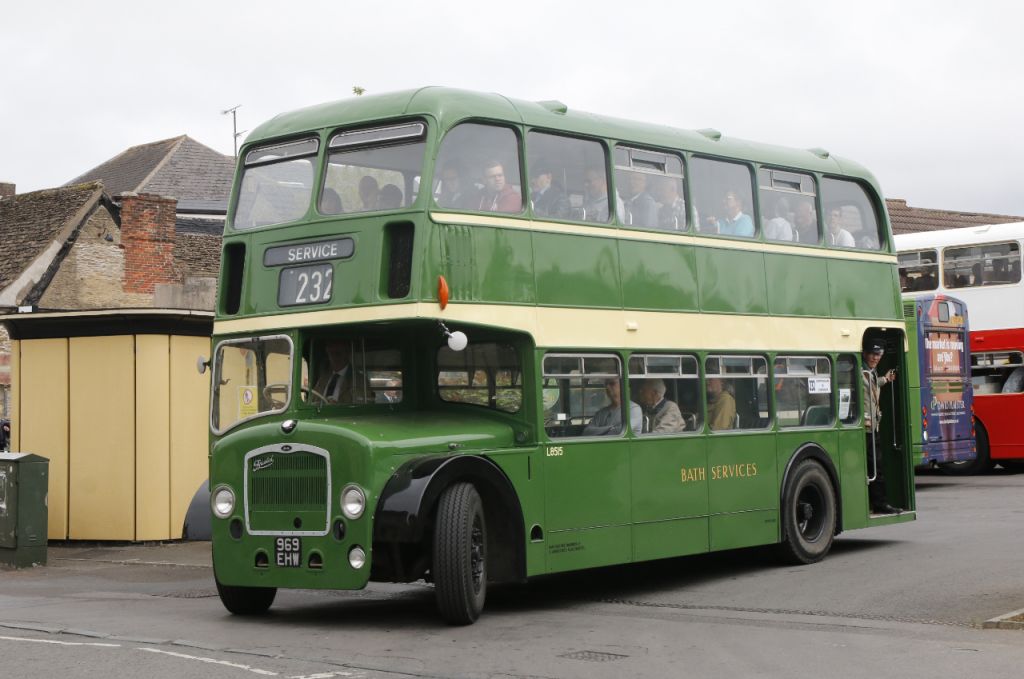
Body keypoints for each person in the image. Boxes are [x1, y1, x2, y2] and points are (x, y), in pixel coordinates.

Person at [862, 340, 901, 514]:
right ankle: (879, 503)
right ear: (865, 353)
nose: (875, 357)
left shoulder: (870, 371)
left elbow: (872, 384)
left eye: (878, 354)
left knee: (876, 465)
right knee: (874, 465)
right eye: (872, 353)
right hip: (864, 428)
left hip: (873, 427)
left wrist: (885, 379)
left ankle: (877, 502)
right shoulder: (858, 370)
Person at [313, 339, 368, 404]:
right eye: (331, 353)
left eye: (338, 353)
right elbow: (312, 400)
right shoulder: (323, 379)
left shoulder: (360, 380)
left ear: (347, 353)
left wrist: (338, 405)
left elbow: (365, 406)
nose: (334, 357)